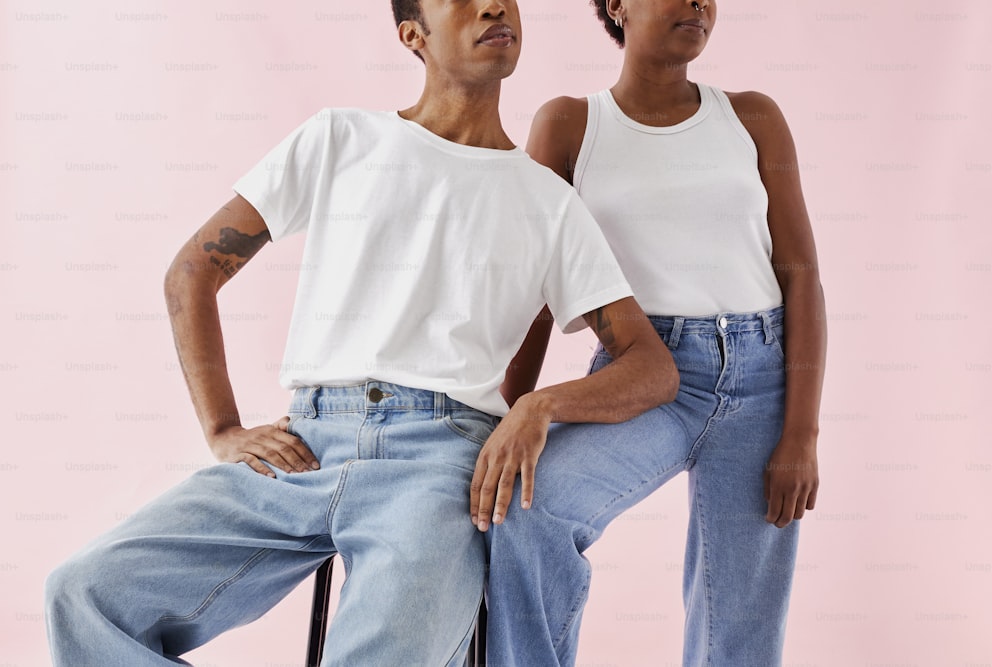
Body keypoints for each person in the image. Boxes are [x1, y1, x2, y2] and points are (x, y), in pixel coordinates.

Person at [42, 1, 681, 665]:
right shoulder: (339, 140)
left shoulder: (550, 205)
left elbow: (652, 367)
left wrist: (540, 404)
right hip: (301, 448)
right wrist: (223, 428)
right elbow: (191, 274)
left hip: (436, 465)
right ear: (414, 36)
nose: (495, 5)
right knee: (83, 595)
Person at [480, 0, 827, 665]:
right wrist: (497, 417)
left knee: (739, 634)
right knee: (528, 512)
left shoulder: (752, 116)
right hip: (640, 377)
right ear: (617, 5)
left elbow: (803, 277)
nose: (698, 3)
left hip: (761, 379)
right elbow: (536, 294)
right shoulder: (570, 123)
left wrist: (801, 433)